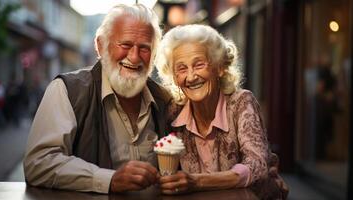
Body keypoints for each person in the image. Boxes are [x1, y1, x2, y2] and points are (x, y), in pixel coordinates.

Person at [24, 4, 173, 193]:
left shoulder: (164, 100)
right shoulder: (67, 91)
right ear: (101, 46)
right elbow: (38, 163)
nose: (134, 57)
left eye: (144, 48)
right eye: (125, 45)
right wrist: (109, 179)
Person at [155, 24, 288, 198]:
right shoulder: (173, 113)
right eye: (181, 68)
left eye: (198, 64)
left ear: (220, 67)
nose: (191, 76)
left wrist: (197, 182)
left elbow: (257, 165)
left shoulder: (241, 103)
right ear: (174, 77)